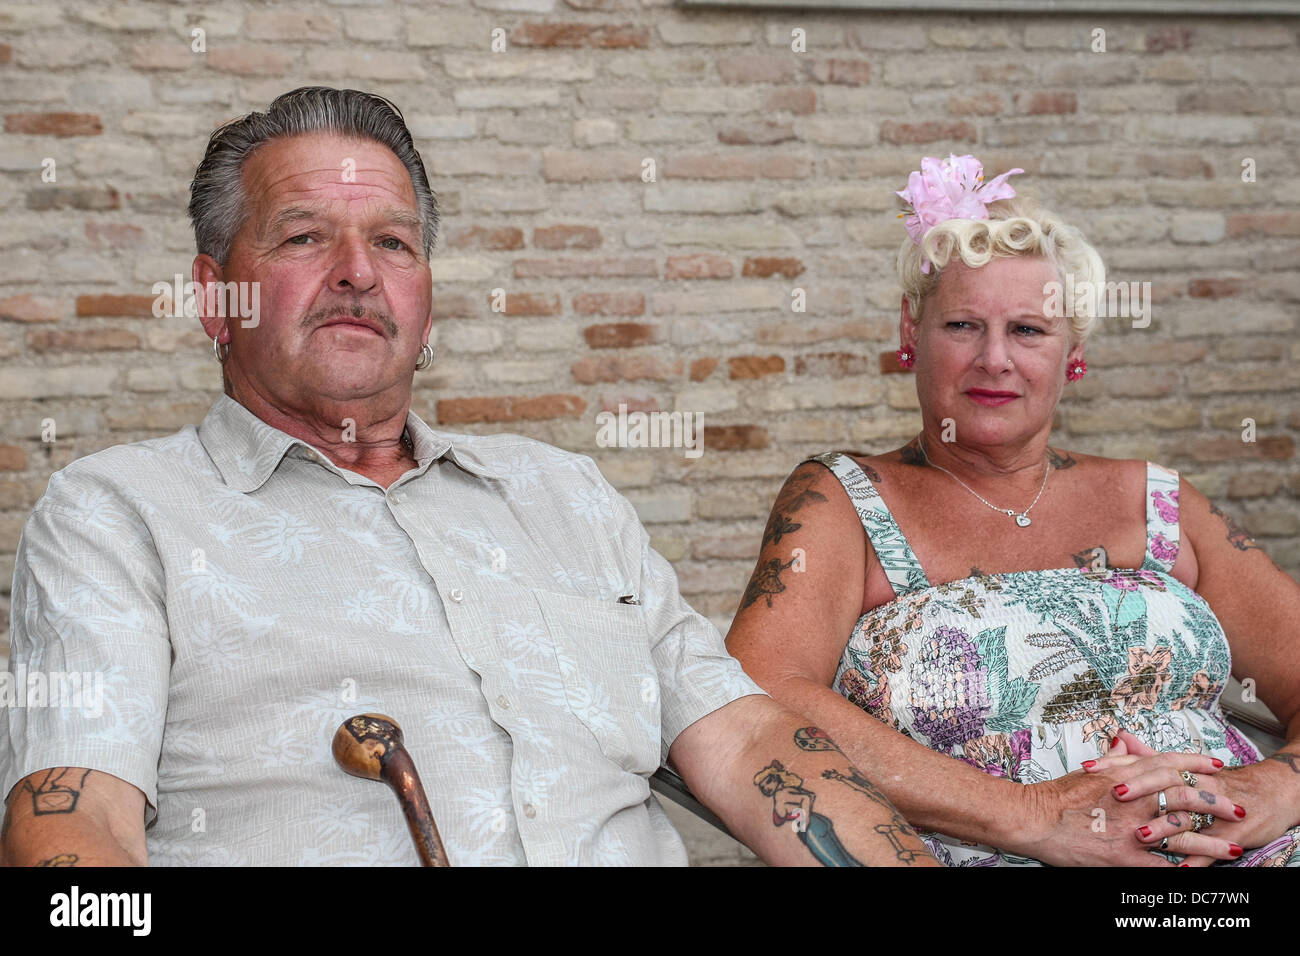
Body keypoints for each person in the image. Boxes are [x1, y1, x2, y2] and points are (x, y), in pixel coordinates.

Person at [0, 88, 936, 868]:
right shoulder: (117, 517)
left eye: (395, 244)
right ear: (217, 299)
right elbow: (75, 829)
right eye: (303, 239)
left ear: (428, 298)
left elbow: (747, 743)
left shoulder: (567, 499)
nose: (358, 273)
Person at [726, 154, 1300, 867]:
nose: (994, 359)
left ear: (1074, 353)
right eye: (964, 325)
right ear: (912, 333)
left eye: (1028, 331)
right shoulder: (840, 500)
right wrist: (1033, 817)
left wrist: (1274, 789)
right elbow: (757, 691)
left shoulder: (1158, 501)